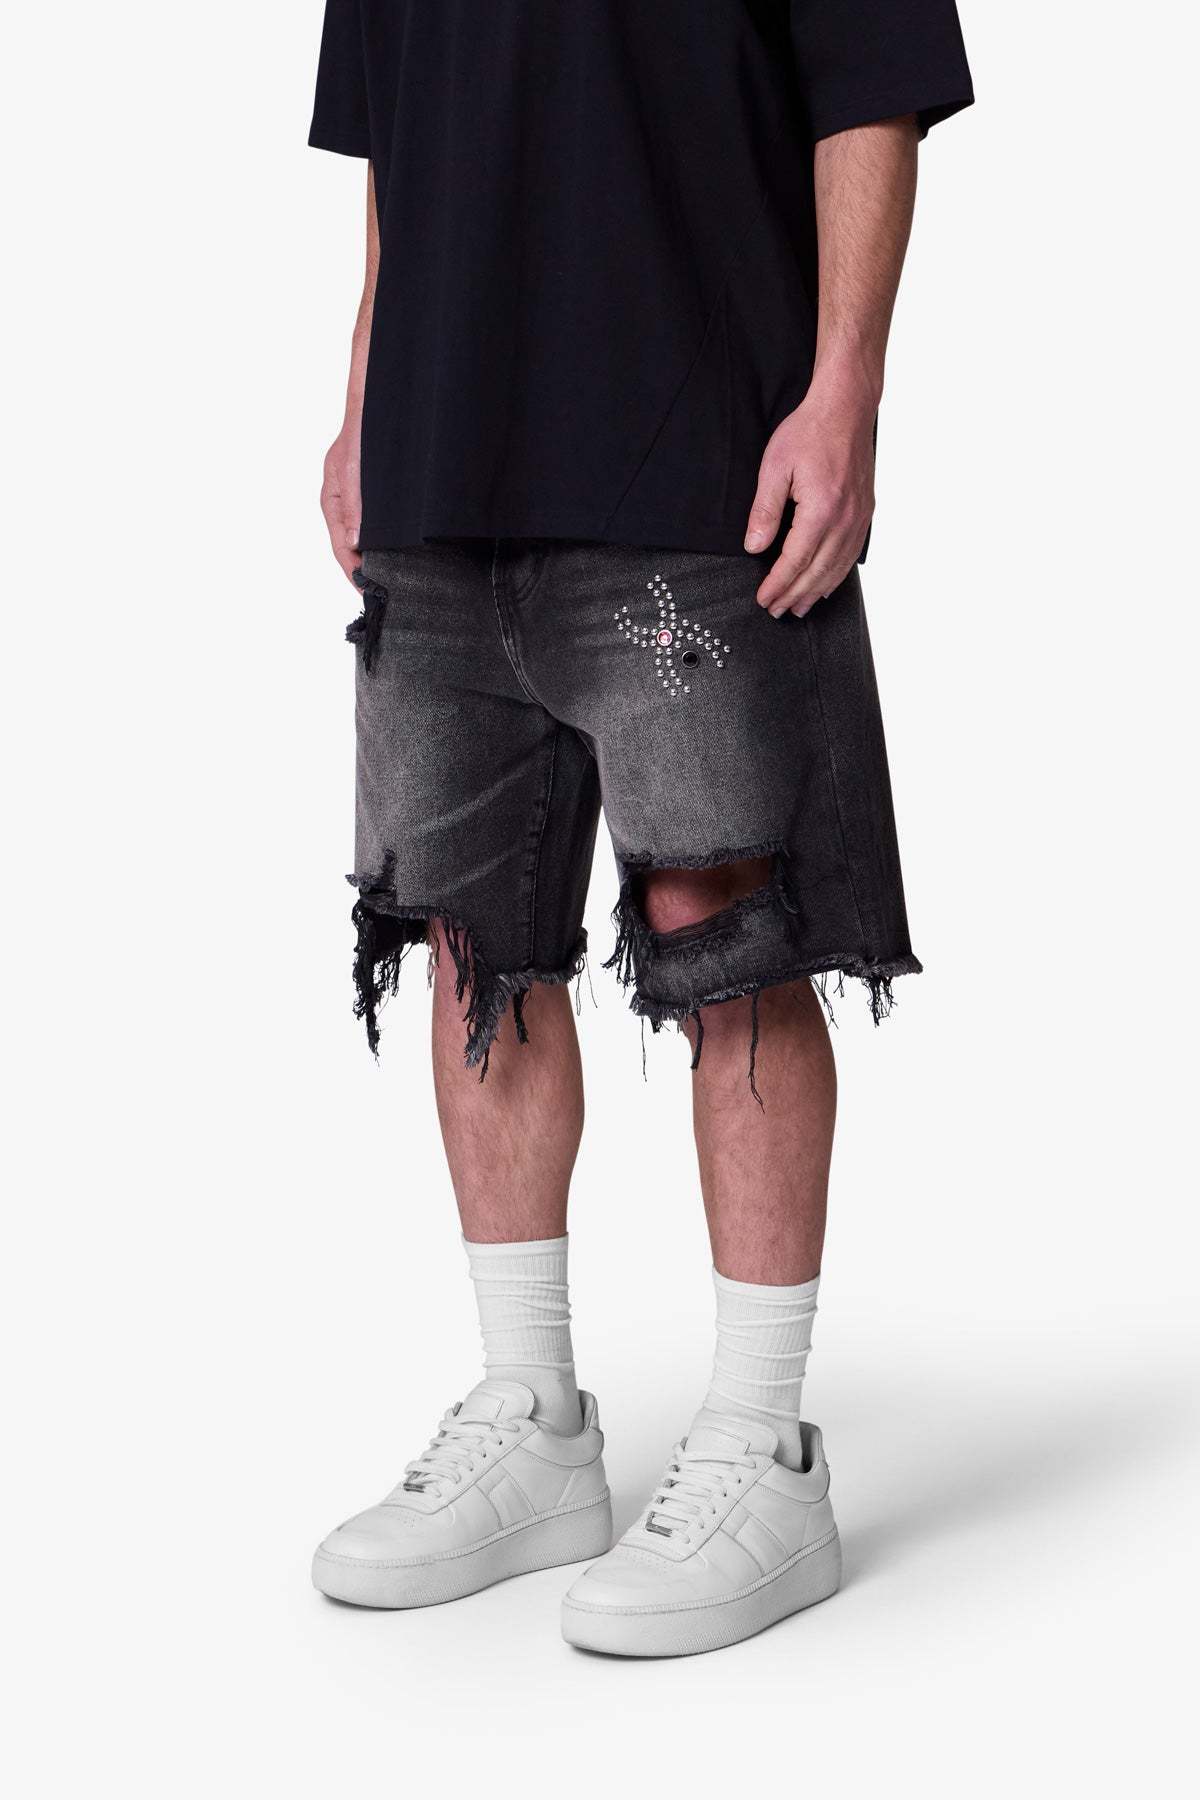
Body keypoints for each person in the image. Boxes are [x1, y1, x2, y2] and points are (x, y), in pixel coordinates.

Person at [306, 0, 972, 1657]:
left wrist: (848, 391)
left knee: (723, 930)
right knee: (472, 936)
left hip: (700, 449)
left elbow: (872, 83)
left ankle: (764, 1446)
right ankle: (532, 1416)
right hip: (442, 459)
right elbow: (393, 138)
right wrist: (364, 390)